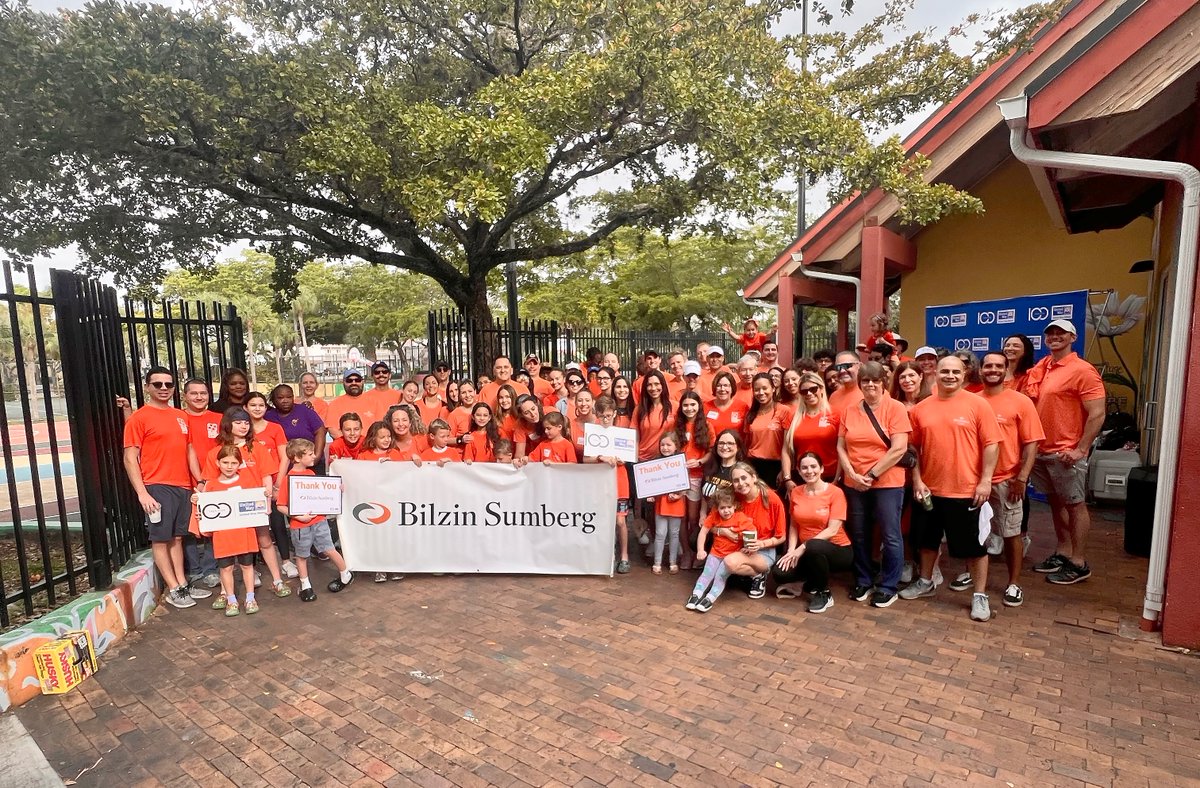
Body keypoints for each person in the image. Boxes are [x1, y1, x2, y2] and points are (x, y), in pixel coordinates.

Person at [901, 355, 1001, 622]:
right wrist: (918, 479)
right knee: (926, 541)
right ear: (935, 373)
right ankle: (925, 582)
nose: (949, 376)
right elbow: (914, 449)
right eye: (944, 371)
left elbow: (992, 444)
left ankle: (979, 595)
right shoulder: (921, 408)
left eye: (955, 371)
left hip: (966, 490)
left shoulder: (978, 405)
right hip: (930, 490)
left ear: (964, 373)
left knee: (974, 547)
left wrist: (985, 480)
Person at [946, 352, 1044, 608]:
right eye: (988, 365)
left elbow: (1032, 443)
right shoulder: (970, 400)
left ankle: (1014, 583)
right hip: (971, 481)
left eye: (998, 366)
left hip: (1006, 480)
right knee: (973, 533)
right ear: (980, 370)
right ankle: (972, 572)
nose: (992, 369)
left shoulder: (1020, 402)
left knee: (1011, 533)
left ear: (1006, 369)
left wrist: (1022, 477)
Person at [1023, 319, 1105, 585]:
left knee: (1075, 505)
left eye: (1061, 333)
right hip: (1041, 449)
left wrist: (1081, 449)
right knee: (1056, 503)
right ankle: (1063, 550)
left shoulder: (1083, 370)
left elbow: (1097, 413)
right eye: (1050, 333)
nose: (1055, 336)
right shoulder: (1043, 367)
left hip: (1065, 452)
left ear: (1073, 337)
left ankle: (1079, 562)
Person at [123, 366, 208, 608]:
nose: (163, 389)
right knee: (160, 539)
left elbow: (189, 450)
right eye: (157, 384)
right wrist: (142, 493)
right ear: (147, 387)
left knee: (178, 538)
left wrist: (199, 479)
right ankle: (173, 588)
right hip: (157, 486)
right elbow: (130, 458)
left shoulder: (181, 416)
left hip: (182, 486)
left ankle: (182, 583)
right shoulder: (139, 418)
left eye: (168, 385)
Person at [836, 361, 912, 608]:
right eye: (865, 381)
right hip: (854, 481)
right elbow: (841, 445)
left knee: (890, 534)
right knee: (859, 533)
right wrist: (851, 473)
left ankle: (888, 585)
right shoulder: (850, 410)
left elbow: (899, 448)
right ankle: (863, 579)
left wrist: (871, 474)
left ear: (883, 382)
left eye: (875, 380)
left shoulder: (896, 408)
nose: (870, 385)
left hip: (887, 481)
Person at [199, 408, 291, 600]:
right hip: (228, 512)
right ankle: (226, 592)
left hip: (253, 507)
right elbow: (209, 482)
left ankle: (277, 580)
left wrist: (267, 503)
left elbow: (266, 477)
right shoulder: (216, 453)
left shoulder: (256, 448)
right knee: (228, 550)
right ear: (228, 424)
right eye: (239, 422)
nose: (243, 426)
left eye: (246, 423)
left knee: (265, 541)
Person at [771, 451, 853, 613]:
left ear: (822, 469)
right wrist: (791, 551)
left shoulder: (835, 493)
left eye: (813, 467)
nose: (809, 471)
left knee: (815, 545)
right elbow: (794, 524)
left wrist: (802, 548)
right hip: (807, 552)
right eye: (804, 468)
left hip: (838, 550)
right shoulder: (796, 492)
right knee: (780, 574)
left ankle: (824, 593)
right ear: (799, 471)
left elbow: (832, 530)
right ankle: (811, 578)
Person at [276, 438, 354, 601]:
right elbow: (280, 505)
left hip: (319, 521)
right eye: (310, 454)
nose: (314, 456)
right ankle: (305, 585)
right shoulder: (288, 479)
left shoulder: (311, 474)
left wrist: (336, 490)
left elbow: (323, 494)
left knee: (329, 548)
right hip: (299, 526)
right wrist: (298, 516)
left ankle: (345, 573)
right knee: (302, 555)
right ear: (297, 457)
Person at [196, 445, 263, 616]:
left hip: (244, 533)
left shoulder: (248, 482)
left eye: (234, 462)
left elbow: (257, 504)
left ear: (239, 464)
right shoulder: (210, 485)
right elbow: (203, 512)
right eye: (225, 462)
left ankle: (250, 598)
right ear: (217, 462)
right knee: (225, 568)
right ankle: (231, 600)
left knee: (247, 566)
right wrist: (198, 502)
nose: (229, 466)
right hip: (222, 536)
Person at [722, 462, 787, 599]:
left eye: (744, 478)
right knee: (724, 562)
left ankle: (758, 574)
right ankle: (754, 574)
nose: (740, 483)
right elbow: (712, 522)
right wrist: (724, 531)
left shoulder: (771, 499)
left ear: (754, 478)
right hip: (739, 546)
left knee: (729, 563)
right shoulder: (734, 497)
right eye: (736, 480)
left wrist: (761, 544)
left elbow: (781, 537)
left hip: (764, 549)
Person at [180, 378, 221, 590]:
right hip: (183, 481)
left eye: (203, 393)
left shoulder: (219, 419)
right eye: (194, 393)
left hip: (213, 481)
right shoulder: (177, 418)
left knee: (211, 525)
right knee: (188, 528)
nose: (199, 397)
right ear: (184, 395)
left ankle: (211, 569)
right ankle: (194, 570)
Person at [685, 489, 753, 613]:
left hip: (730, 556)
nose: (726, 511)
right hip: (715, 553)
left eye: (729, 507)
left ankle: (710, 598)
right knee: (707, 573)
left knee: (720, 577)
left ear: (735, 506)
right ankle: (696, 594)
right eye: (722, 508)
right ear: (717, 508)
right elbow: (703, 532)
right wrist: (700, 550)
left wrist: (748, 546)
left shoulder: (740, 517)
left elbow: (751, 531)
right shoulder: (714, 516)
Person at [591, 396, 632, 574]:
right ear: (597, 415)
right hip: (600, 483)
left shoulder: (622, 433)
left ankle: (624, 555)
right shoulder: (593, 433)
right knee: (602, 520)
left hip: (620, 482)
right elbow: (586, 459)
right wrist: (601, 457)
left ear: (614, 414)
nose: (606, 419)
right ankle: (607, 553)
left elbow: (630, 457)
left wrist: (623, 459)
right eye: (602, 416)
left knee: (620, 520)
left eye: (609, 415)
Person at [781, 371, 840, 484]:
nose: (809, 393)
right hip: (802, 476)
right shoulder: (793, 415)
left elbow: (842, 449)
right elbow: (786, 449)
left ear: (821, 388)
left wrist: (837, 479)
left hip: (829, 476)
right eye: (804, 391)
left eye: (813, 389)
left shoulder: (835, 414)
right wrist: (787, 478)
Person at [674, 391, 711, 570]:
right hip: (678, 477)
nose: (689, 408)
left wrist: (699, 461)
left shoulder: (706, 426)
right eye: (686, 405)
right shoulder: (676, 426)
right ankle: (686, 552)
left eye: (693, 405)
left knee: (694, 517)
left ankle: (697, 549)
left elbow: (712, 450)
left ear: (699, 406)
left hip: (696, 476)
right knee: (680, 517)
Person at [742, 372, 791, 487]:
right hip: (753, 464)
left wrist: (784, 470)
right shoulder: (750, 414)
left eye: (765, 388)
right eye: (757, 389)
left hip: (776, 465)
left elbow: (788, 446)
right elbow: (746, 443)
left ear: (773, 388)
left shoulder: (784, 411)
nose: (761, 393)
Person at [648, 431, 686, 575]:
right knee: (660, 534)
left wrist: (678, 495)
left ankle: (673, 562)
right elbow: (651, 483)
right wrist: (650, 495)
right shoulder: (656, 463)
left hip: (675, 504)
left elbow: (685, 486)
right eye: (662, 445)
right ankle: (657, 563)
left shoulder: (680, 463)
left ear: (676, 446)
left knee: (674, 534)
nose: (665, 448)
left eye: (668, 445)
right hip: (661, 503)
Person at [266, 384, 327, 458]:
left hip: (310, 461)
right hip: (284, 463)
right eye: (280, 398)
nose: (285, 401)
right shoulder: (268, 417)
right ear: (274, 400)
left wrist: (316, 457)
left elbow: (320, 431)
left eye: (289, 397)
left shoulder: (305, 410)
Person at [635, 370, 672, 463]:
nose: (653, 388)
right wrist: (635, 461)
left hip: (668, 460)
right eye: (649, 385)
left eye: (657, 384)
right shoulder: (639, 409)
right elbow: (635, 437)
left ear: (663, 385)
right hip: (643, 460)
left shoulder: (674, 407)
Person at [325, 369, 371, 439]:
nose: (354, 383)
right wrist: (352, 444)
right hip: (347, 448)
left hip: (371, 446)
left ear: (362, 382)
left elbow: (379, 428)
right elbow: (333, 430)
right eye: (349, 380)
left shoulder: (373, 401)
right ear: (343, 382)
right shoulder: (335, 404)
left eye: (357, 380)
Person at [704, 371, 747, 438]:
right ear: (714, 387)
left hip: (736, 447)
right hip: (712, 447)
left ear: (732, 388)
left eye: (726, 385)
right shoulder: (705, 407)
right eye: (719, 386)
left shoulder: (743, 407)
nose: (722, 389)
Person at [828, 351, 863, 416]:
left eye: (847, 366)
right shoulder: (834, 396)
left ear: (860, 366)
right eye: (838, 367)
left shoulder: (871, 393)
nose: (842, 371)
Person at [513, 394, 546, 459]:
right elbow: (520, 454)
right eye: (526, 413)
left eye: (533, 409)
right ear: (521, 415)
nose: (533, 414)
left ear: (537, 405)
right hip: (533, 459)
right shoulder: (520, 425)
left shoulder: (550, 412)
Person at [568, 388, 596, 461]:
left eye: (587, 400)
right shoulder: (570, 425)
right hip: (578, 468)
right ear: (575, 403)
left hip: (600, 468)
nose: (583, 404)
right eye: (580, 400)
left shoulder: (601, 423)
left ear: (593, 402)